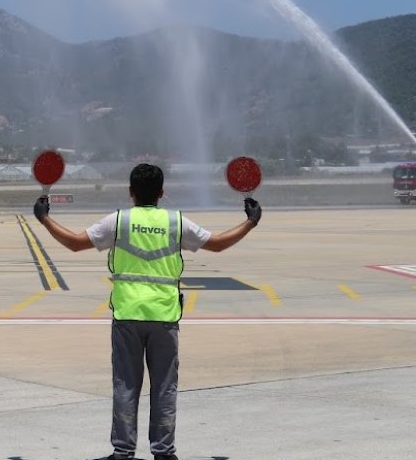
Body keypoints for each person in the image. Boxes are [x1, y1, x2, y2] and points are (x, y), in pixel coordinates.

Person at [32, 163, 262, 460]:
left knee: (126, 387)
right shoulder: (176, 222)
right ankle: (164, 452)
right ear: (161, 193)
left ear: (131, 192)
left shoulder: (119, 221)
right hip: (164, 317)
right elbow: (217, 244)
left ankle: (123, 452)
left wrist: (45, 218)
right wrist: (250, 222)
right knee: (164, 388)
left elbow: (75, 243)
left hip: (128, 315)